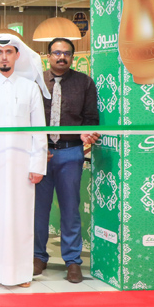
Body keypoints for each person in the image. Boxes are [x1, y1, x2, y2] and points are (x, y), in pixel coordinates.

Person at [0, 33, 49, 288]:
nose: (4, 57)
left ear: (17, 55)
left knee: (20, 218)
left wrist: (38, 165)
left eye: (9, 52)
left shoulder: (30, 88)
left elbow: (39, 130)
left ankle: (20, 273)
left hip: (21, 167)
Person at [36, 38, 99, 283]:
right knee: (38, 209)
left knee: (70, 209)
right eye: (56, 53)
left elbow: (91, 118)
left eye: (67, 53)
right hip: (40, 153)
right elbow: (29, 119)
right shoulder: (36, 82)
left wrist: (87, 137)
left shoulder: (84, 83)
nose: (61, 57)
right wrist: (38, 147)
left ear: (73, 57)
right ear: (48, 55)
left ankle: (73, 261)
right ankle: (37, 257)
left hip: (71, 152)